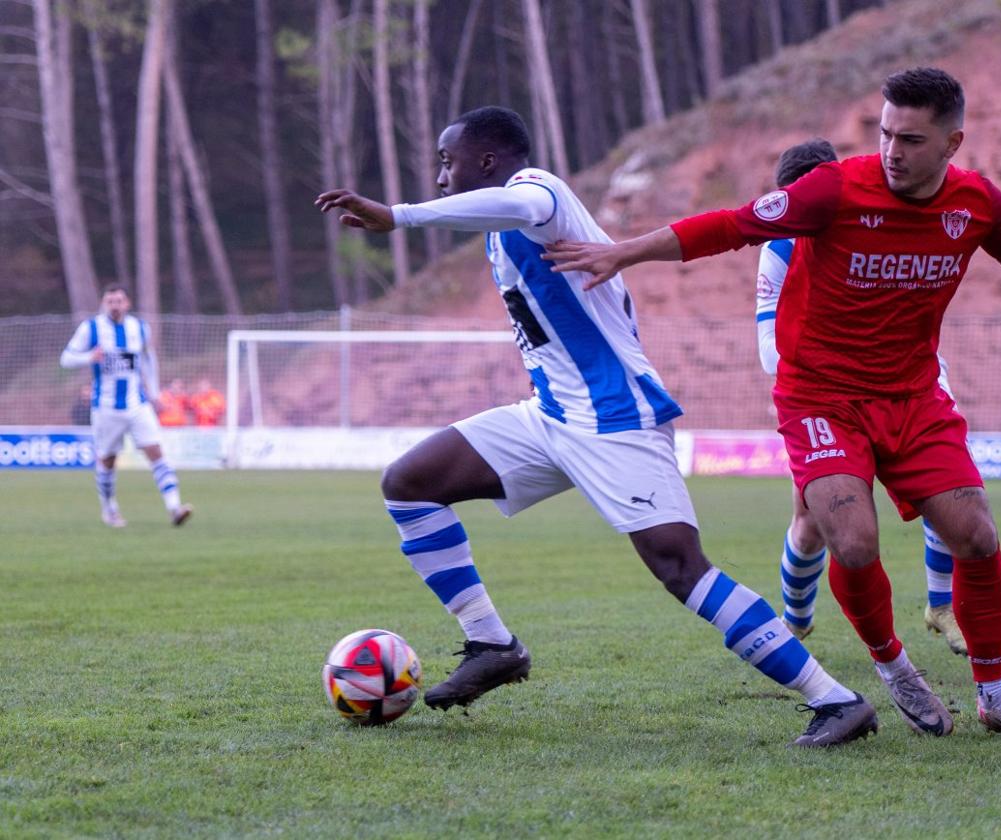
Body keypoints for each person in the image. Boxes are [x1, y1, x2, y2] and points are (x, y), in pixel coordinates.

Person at [545, 67, 1001, 741]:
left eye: (912, 138)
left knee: (977, 535)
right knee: (854, 541)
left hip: (913, 395)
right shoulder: (835, 188)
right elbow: (727, 224)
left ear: (952, 142)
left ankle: (997, 694)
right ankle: (894, 667)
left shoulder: (976, 202)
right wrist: (622, 252)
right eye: (886, 132)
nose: (893, 149)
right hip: (821, 397)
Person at [317, 106, 877, 747]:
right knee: (410, 483)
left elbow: (523, 204)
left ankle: (836, 701)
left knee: (680, 567)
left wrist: (400, 215)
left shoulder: (541, 193)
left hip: (615, 418)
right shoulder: (501, 229)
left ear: (490, 162)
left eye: (449, 162)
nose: (442, 178)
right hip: (553, 413)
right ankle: (492, 643)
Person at [758, 139, 965, 656]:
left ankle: (941, 606)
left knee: (945, 496)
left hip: (907, 386)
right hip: (825, 398)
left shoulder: (884, 216)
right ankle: (796, 620)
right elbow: (769, 349)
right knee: (812, 524)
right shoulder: (780, 246)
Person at [60, 284, 194, 528]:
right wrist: (88, 357)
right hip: (105, 407)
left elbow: (147, 359)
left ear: (127, 303)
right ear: (103, 303)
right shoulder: (91, 328)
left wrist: (155, 394)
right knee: (107, 460)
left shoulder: (139, 328)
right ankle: (109, 509)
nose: (114, 305)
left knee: (155, 451)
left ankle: (175, 507)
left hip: (137, 404)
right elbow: (66, 358)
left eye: (118, 301)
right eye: (110, 301)